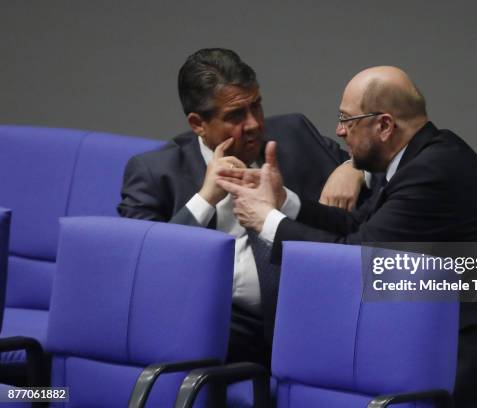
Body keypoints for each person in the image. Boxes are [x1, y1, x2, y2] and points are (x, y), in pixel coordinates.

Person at [217, 66, 477, 407]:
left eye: (347, 119)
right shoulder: (419, 157)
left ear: (384, 125)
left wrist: (267, 222)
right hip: (426, 322)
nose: (339, 130)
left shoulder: (434, 170)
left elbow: (357, 258)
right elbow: (360, 226)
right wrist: (286, 202)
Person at [117, 48, 366, 366]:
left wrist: (354, 168)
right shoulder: (156, 172)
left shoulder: (295, 134)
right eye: (236, 115)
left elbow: (381, 179)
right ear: (198, 124)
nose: (253, 124)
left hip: (317, 318)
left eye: (256, 106)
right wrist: (205, 198)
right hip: (223, 333)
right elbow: (141, 268)